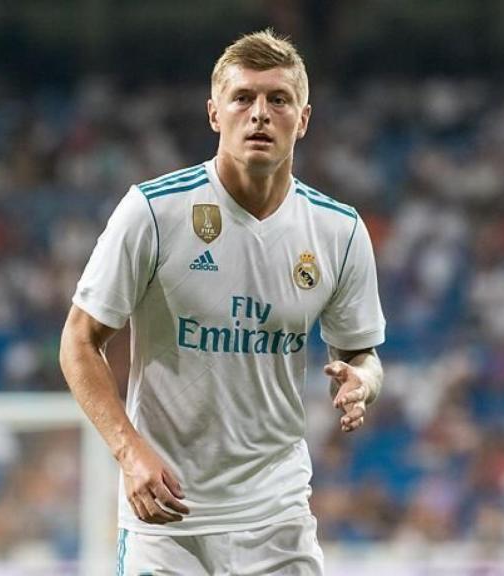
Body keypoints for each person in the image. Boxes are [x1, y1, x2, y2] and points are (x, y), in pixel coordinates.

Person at [60, 29, 385, 575]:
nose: (260, 114)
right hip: (165, 516)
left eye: (278, 99)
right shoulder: (153, 212)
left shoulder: (339, 231)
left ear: (302, 119)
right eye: (244, 98)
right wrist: (129, 451)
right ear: (215, 114)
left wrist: (364, 383)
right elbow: (78, 340)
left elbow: (361, 355)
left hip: (276, 514)